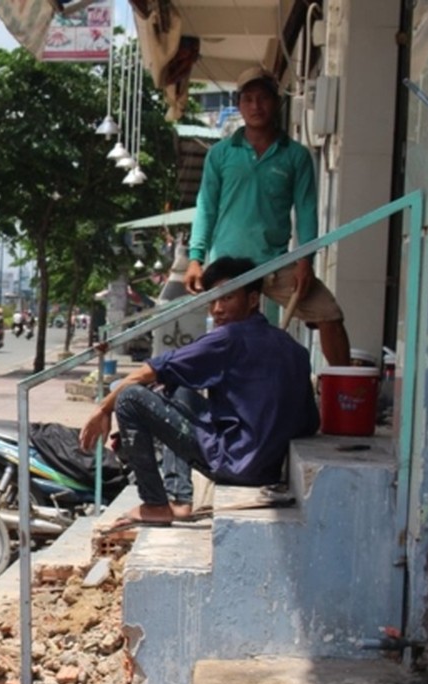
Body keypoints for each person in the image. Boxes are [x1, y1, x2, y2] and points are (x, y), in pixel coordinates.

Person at [79, 257, 319, 530]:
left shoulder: (227, 338)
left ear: (253, 300)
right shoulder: (293, 348)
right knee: (178, 383)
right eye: (213, 300)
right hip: (269, 467)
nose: (217, 309)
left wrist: (103, 409)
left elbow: (148, 371)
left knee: (129, 398)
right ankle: (180, 500)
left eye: (227, 298)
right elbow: (310, 422)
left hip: (235, 463)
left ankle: (155, 503)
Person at [186, 65, 350, 367]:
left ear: (276, 102)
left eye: (263, 98)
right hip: (228, 266)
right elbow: (206, 206)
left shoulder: (296, 156)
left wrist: (305, 261)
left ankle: (343, 393)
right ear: (239, 105)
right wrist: (195, 258)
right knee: (229, 335)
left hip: (276, 264)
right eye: (248, 99)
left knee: (329, 315)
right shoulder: (221, 154)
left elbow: (306, 212)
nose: (256, 106)